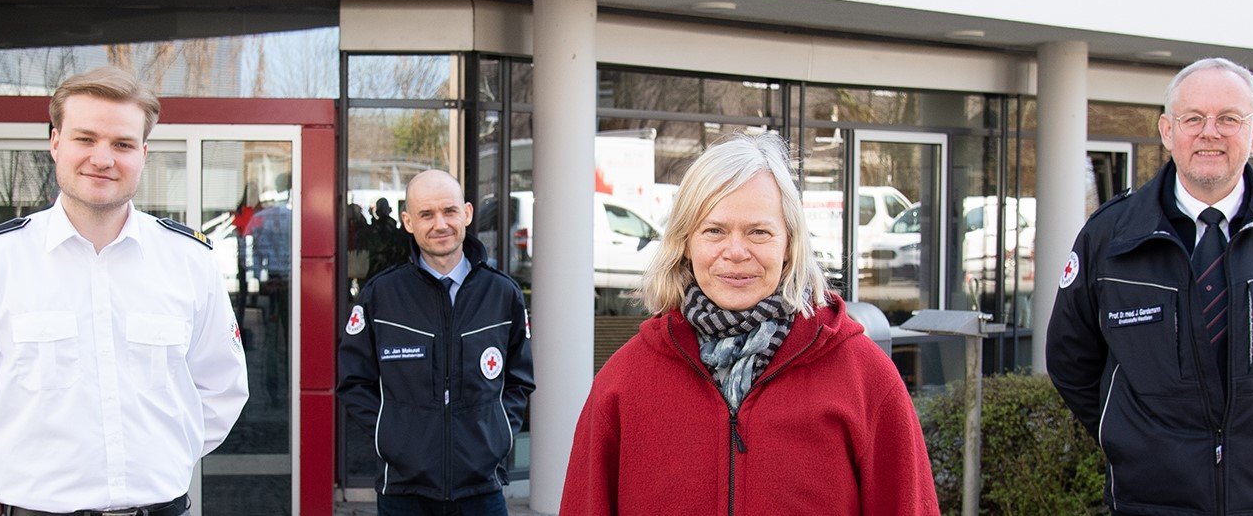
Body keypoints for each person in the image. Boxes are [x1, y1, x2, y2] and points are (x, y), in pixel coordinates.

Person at [1047, 58, 1253, 516]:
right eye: (1193, 118)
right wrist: (1129, 436)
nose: (1210, 133)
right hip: (1150, 501)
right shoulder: (1111, 236)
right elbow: (1070, 358)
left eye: (1228, 119)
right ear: (1166, 130)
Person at [0, 66, 247, 516]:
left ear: (144, 153)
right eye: (85, 138)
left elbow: (221, 388)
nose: (103, 158)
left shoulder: (189, 262)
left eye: (122, 144)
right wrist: (11, 482)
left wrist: (159, 459)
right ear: (55, 143)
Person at [562, 133, 938, 516]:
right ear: (685, 242)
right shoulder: (624, 383)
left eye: (759, 232)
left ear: (789, 243)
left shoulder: (865, 379)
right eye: (715, 230)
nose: (736, 252)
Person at [338, 169, 533, 515]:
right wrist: (396, 440)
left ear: (467, 213)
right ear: (408, 221)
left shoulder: (502, 294)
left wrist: (493, 438)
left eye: (449, 211)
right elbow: (354, 383)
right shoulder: (381, 296)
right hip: (404, 492)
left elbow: (519, 380)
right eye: (426, 214)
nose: (440, 224)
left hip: (481, 490)